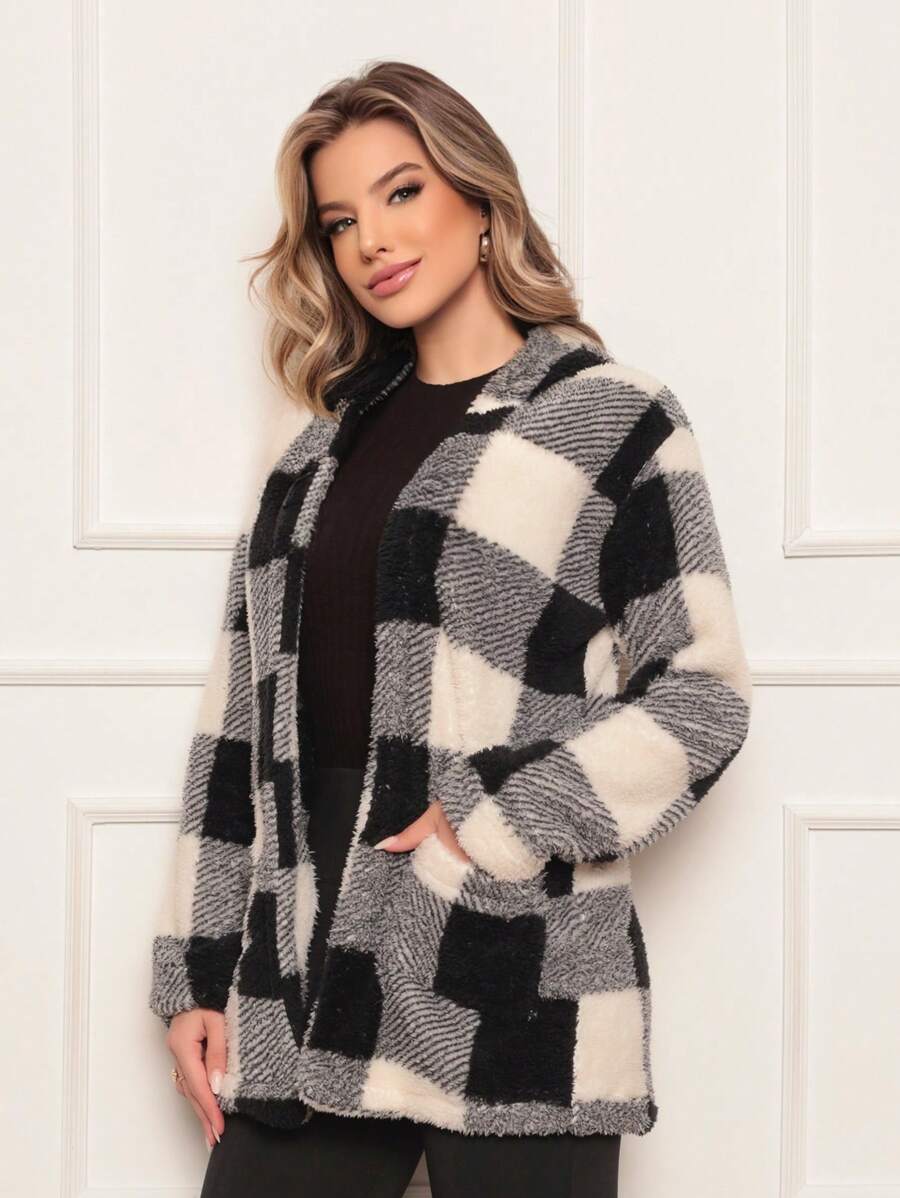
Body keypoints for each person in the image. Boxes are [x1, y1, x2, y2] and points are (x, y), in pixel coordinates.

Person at [148, 59, 753, 1198]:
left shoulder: (609, 418)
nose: (371, 240)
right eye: (339, 221)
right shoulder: (311, 457)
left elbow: (701, 695)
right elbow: (238, 726)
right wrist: (198, 967)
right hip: (302, 965)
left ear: (480, 200)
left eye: (402, 191)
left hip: (509, 958)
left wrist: (492, 820)